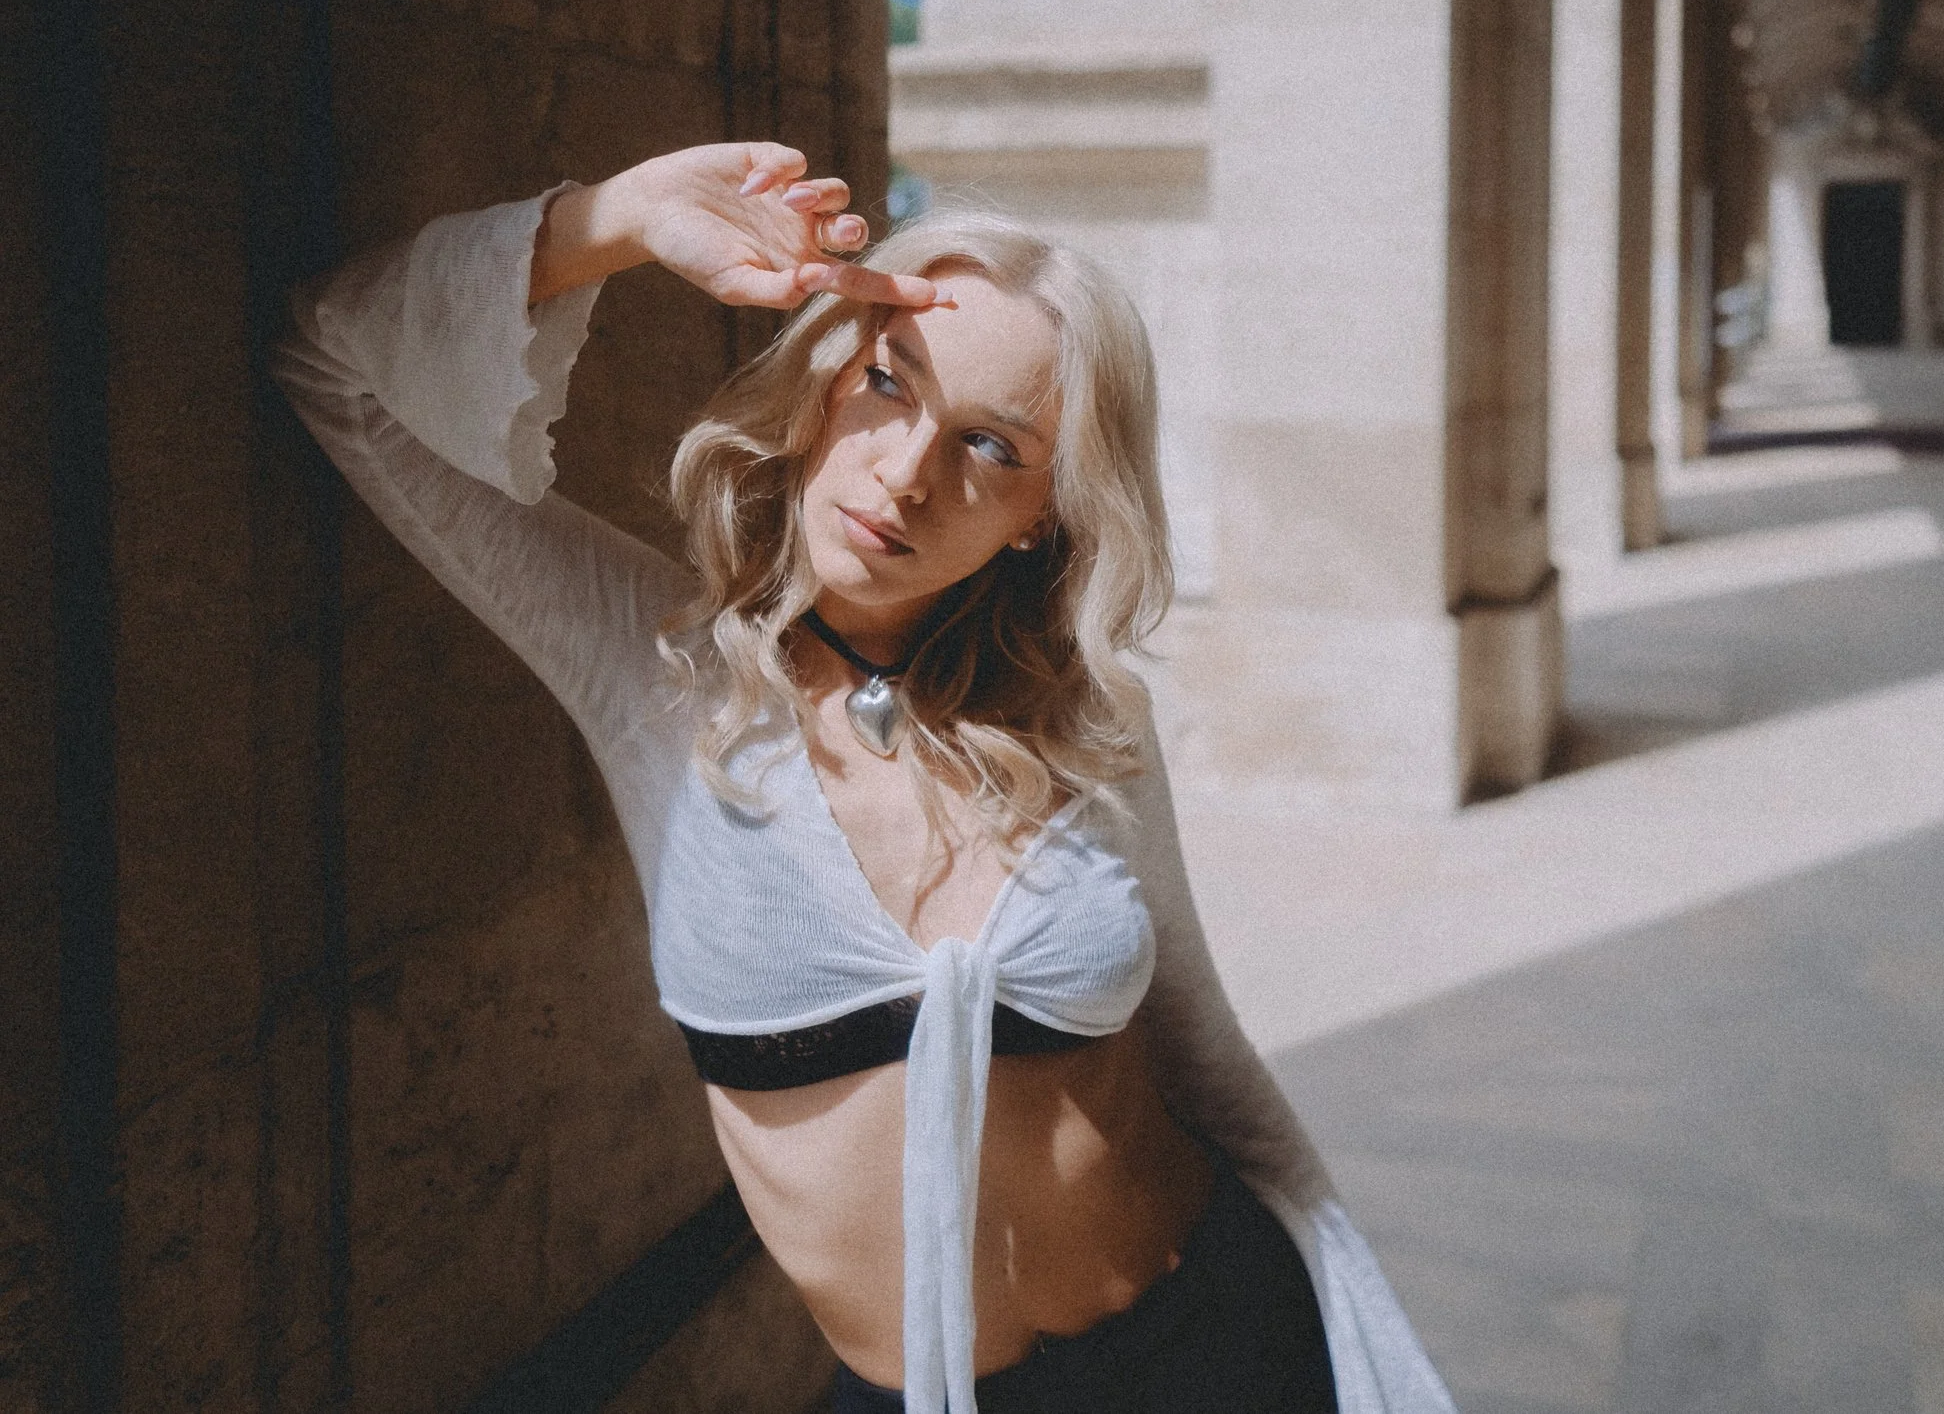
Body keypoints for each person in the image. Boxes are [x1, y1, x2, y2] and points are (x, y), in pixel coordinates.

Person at [271, 141, 1454, 1414]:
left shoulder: (1081, 708)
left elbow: (1198, 1044)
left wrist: (1360, 1321)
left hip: (1217, 1341)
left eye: (991, 447)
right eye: (888, 384)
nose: (906, 473)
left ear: (1041, 516)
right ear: (825, 381)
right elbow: (332, 368)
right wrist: (608, 222)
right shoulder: (657, 664)